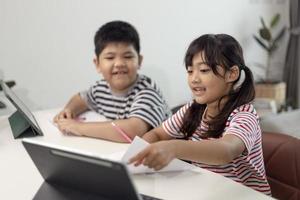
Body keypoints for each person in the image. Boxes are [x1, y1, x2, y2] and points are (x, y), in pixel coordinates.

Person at [129, 34, 271, 195]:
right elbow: (158, 134)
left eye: (204, 70)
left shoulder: (245, 115)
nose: (194, 79)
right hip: (208, 191)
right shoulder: (193, 109)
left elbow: (226, 150)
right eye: (190, 71)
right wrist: (142, 152)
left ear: (231, 74)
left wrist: (174, 148)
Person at [54, 20, 171, 142]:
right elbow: (81, 98)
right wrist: (69, 110)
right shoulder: (100, 88)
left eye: (128, 56)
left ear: (139, 61)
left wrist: (78, 127)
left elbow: (133, 131)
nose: (119, 63)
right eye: (110, 57)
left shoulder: (147, 91)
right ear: (97, 64)